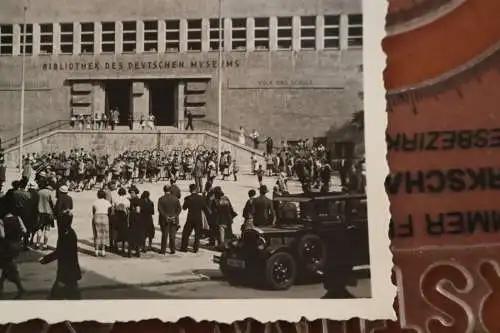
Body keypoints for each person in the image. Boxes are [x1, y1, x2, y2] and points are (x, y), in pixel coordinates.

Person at [40, 208, 82, 300]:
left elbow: (59, 252)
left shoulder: (65, 234)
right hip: (70, 270)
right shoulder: (70, 232)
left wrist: (45, 259)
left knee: (56, 296)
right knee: (73, 295)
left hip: (66, 270)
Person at [0, 210, 26, 299]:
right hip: (17, 245)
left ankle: (20, 287)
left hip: (7, 247)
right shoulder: (18, 218)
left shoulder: (1, 221)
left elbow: (2, 235)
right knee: (6, 264)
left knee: (9, 265)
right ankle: (1, 284)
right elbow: (24, 230)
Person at [180, 184, 206, 253]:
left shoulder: (188, 198)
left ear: (190, 190)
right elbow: (204, 208)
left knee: (186, 233)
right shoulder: (201, 198)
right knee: (197, 234)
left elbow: (184, 208)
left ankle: (184, 247)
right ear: (196, 189)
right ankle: (195, 248)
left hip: (190, 218)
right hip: (198, 218)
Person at [157, 185, 181, 254]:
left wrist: (166, 216)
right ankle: (172, 250)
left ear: (163, 190)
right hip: (173, 219)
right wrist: (175, 216)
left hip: (164, 220)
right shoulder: (175, 198)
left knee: (164, 235)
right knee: (172, 236)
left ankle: (163, 250)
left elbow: (160, 210)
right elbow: (179, 209)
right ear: (170, 190)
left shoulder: (161, 199)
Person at [36, 182, 56, 249]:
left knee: (39, 229)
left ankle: (37, 243)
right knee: (47, 229)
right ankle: (45, 245)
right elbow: (54, 204)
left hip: (39, 213)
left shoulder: (39, 192)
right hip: (48, 214)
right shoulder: (50, 193)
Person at [91, 189, 111, 257]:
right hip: (105, 217)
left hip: (97, 216)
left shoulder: (95, 202)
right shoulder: (107, 202)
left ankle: (96, 251)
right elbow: (109, 211)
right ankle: (103, 251)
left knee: (96, 234)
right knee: (104, 234)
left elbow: (93, 211)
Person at [112, 188, 130, 253]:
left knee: (116, 231)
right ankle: (123, 247)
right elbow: (128, 209)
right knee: (124, 231)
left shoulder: (115, 199)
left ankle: (115, 246)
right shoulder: (127, 200)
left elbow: (113, 208)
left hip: (117, 216)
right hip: (124, 217)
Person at [128, 185, 143, 257]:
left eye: (132, 192)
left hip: (134, 219)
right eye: (130, 192)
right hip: (136, 219)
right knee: (136, 235)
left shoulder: (136, 200)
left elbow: (138, 210)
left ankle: (131, 252)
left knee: (132, 235)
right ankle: (137, 251)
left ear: (135, 192)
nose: (131, 194)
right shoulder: (137, 199)